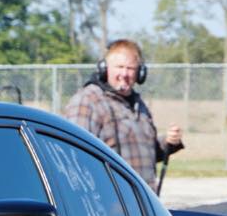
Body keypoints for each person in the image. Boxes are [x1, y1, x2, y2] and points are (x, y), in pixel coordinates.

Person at [63, 39, 183, 187]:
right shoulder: (88, 101)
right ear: (105, 68)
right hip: (110, 201)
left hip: (142, 201)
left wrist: (167, 143)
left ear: (140, 73)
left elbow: (142, 153)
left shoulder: (139, 104)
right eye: (119, 67)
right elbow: (73, 156)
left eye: (130, 68)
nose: (124, 74)